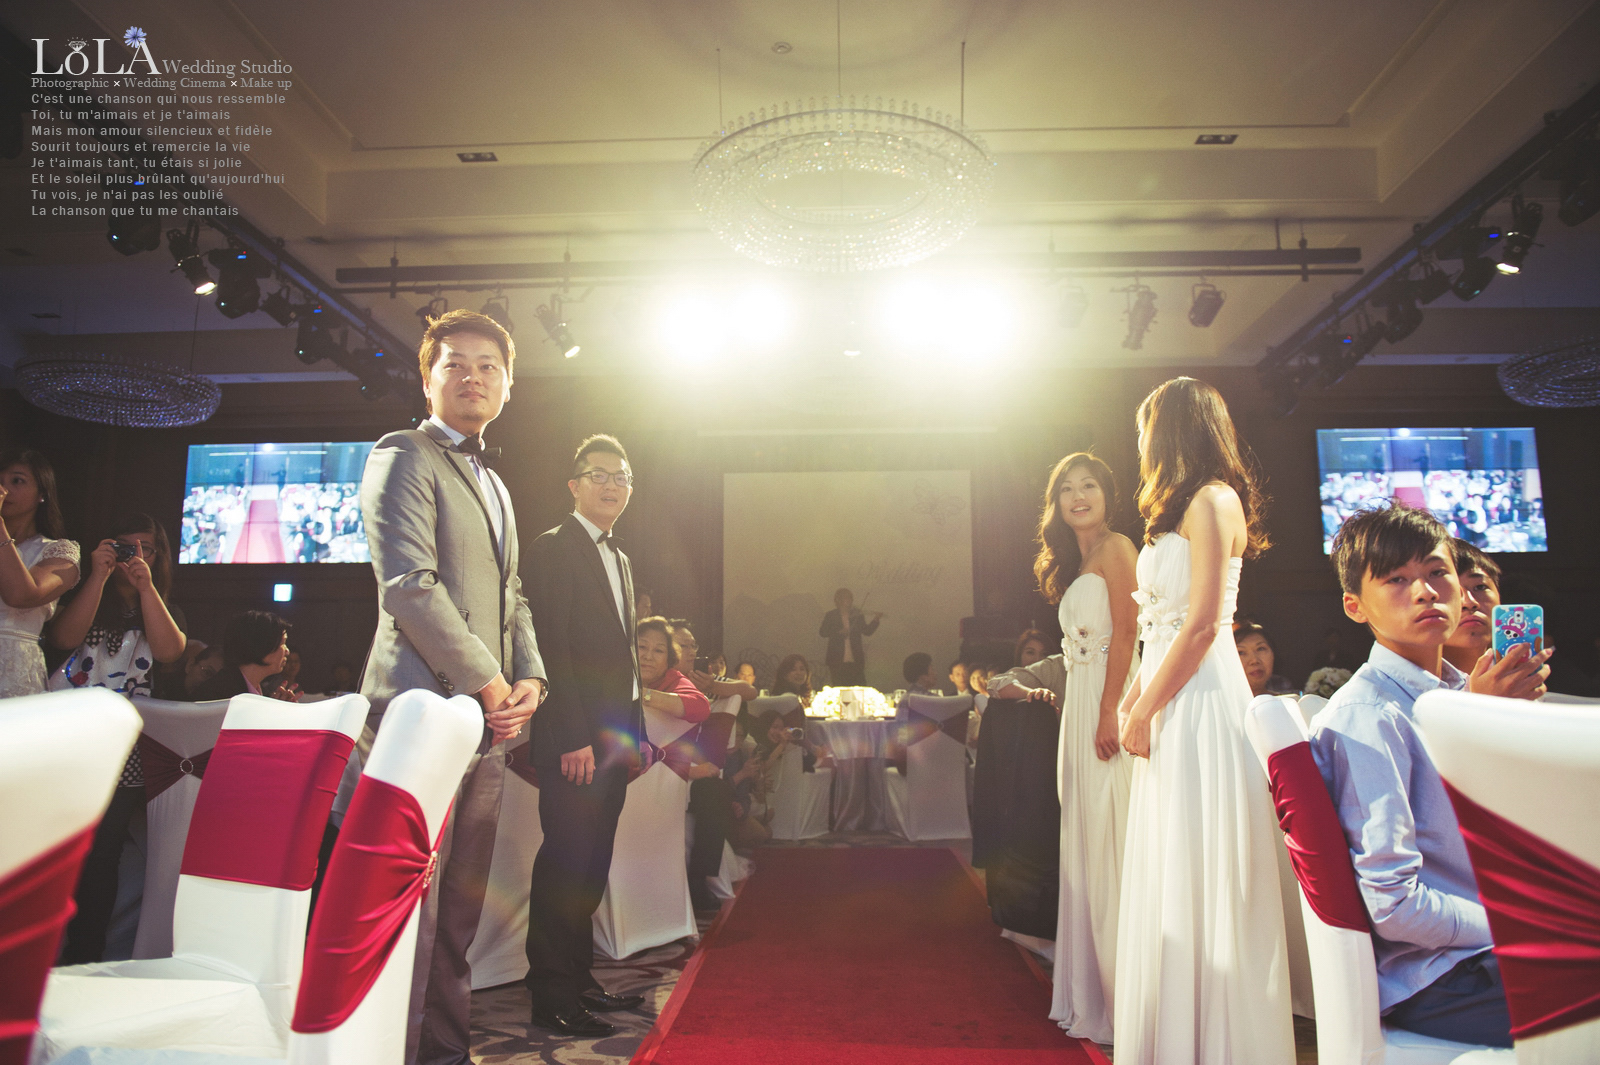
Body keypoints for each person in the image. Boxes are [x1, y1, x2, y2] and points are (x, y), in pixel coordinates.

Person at [357, 308, 546, 1065]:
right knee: (410, 906)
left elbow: (513, 596)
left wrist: (530, 677)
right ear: (427, 380)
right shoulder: (401, 453)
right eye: (455, 364)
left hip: (486, 722)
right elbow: (409, 586)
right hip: (420, 713)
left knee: (459, 908)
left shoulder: (497, 483)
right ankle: (386, 1050)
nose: (473, 377)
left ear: (509, 385)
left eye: (488, 366)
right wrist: (490, 682)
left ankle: (443, 1051)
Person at [1310, 503, 1548, 1048]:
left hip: (1481, 956)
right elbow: (1394, 905)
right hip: (1443, 977)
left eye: (1437, 573)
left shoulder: (1454, 694)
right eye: (1396, 579)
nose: (1424, 592)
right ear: (1354, 605)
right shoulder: (1369, 716)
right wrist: (1514, 922)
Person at [1113, 377, 1293, 1063]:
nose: (1140, 441)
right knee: (1174, 861)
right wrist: (1134, 697)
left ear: (1170, 429)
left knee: (1205, 862)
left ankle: (1220, 1040)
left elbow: (1203, 626)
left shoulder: (1215, 500)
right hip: (1169, 691)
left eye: (1145, 427)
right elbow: (1160, 630)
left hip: (1202, 699)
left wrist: (1142, 707)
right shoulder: (1177, 511)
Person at [524, 433, 645, 1038]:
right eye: (599, 475)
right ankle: (550, 993)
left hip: (614, 740)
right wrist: (570, 735)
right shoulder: (553, 548)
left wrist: (635, 734)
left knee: (593, 864)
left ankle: (579, 978)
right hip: (575, 742)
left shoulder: (620, 558)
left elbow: (623, 658)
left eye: (621, 477)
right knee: (565, 864)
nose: (612, 485)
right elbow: (550, 648)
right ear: (574, 485)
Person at [1023, 452, 1140, 1044]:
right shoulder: (1075, 563)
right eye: (1067, 488)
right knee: (1086, 836)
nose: (1078, 496)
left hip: (1107, 700)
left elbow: (1129, 632)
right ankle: (1092, 988)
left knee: (1112, 834)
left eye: (1089, 485)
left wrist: (1110, 709)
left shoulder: (1118, 548)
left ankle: (1128, 997)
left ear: (1107, 494)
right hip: (1080, 704)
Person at [48, 512, 187, 965]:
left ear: (158, 556)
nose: (133, 557)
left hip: (125, 749)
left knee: (104, 852)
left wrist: (146, 588)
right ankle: (44, 949)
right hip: (67, 738)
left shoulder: (160, 605)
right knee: (57, 850)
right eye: (124, 547)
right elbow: (64, 637)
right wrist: (98, 575)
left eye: (144, 549)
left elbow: (169, 651)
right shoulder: (86, 595)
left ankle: (84, 954)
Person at [635, 617, 726, 913]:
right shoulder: (617, 673)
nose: (648, 656)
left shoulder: (674, 680)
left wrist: (644, 696)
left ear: (668, 658)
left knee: (714, 792)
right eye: (642, 647)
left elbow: (700, 707)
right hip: (621, 773)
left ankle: (697, 880)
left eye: (658, 650)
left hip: (670, 774)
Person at [0, 447, 80, 698]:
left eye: (17, 481)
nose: (3, 490)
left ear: (42, 494)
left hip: (14, 670)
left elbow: (20, 595)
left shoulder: (59, 552)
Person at [191, 610, 297, 701]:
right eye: (283, 643)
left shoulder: (262, 692)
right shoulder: (219, 693)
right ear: (262, 646)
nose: (287, 651)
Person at [818, 587, 881, 687]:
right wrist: (838, 632)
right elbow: (823, 632)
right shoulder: (831, 615)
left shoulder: (857, 615)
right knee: (839, 688)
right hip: (836, 660)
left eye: (850, 598)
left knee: (859, 687)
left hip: (855, 660)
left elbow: (867, 631)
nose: (850, 601)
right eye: (846, 598)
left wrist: (876, 620)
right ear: (839, 600)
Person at [1234, 621, 1295, 697]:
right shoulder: (1221, 703)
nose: (1254, 660)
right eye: (1241, 653)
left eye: (1260, 649)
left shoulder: (1287, 701)